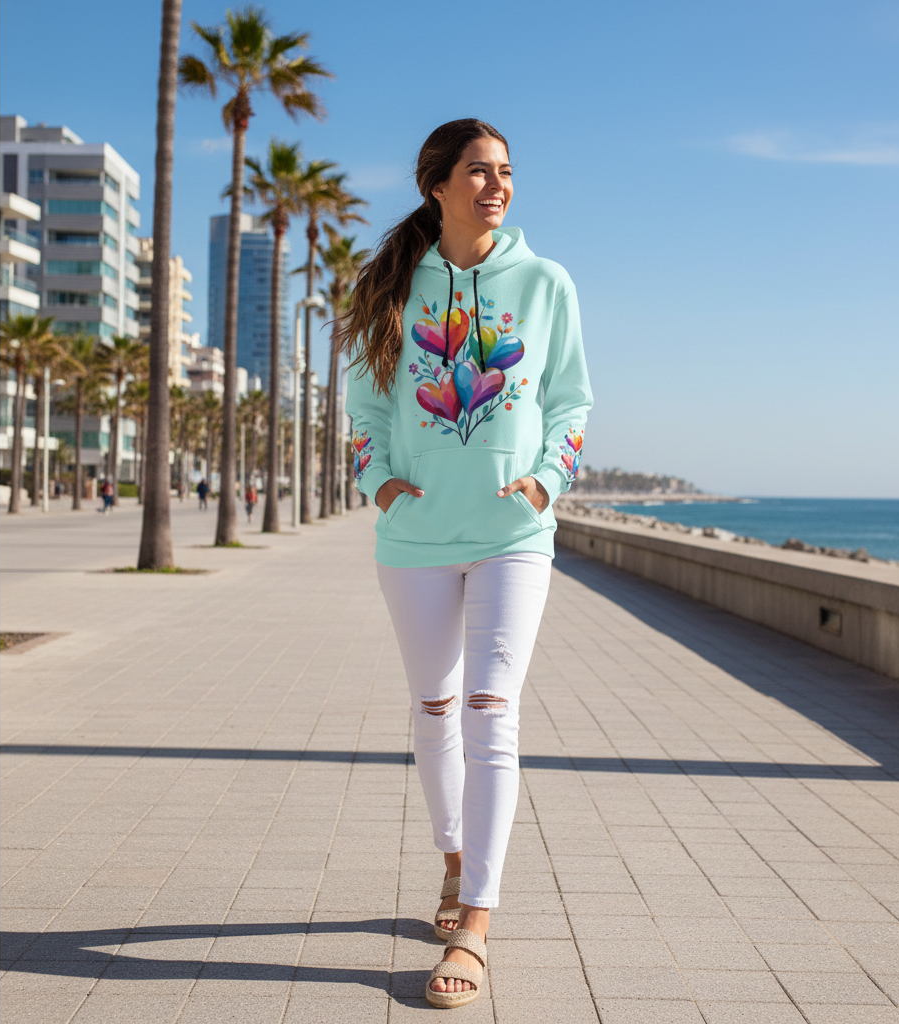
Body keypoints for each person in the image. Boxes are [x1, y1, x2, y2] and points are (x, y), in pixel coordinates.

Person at [342, 119, 592, 1009]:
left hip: (512, 535)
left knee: (492, 707)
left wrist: (543, 485)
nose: (498, 186)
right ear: (436, 185)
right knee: (435, 708)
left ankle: (476, 922)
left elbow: (570, 399)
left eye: (507, 172)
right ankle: (454, 860)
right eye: (479, 172)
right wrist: (380, 484)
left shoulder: (546, 282)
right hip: (413, 537)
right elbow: (365, 405)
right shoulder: (395, 287)